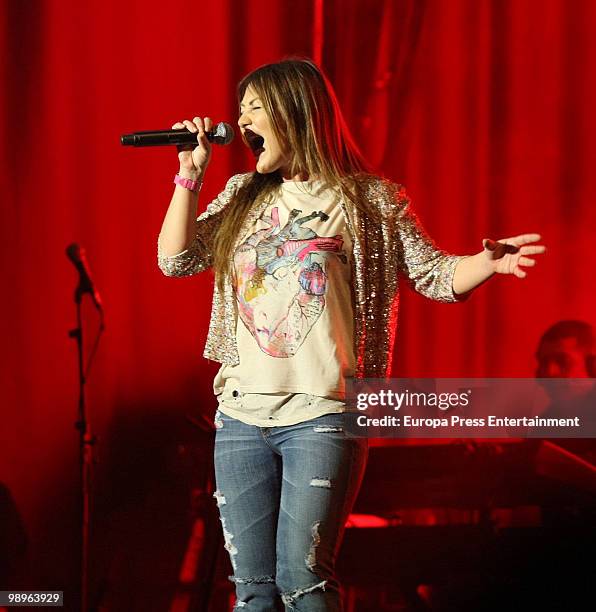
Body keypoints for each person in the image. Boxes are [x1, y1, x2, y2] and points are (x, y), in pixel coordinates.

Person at [157, 58, 545, 611]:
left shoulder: (368, 200)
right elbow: (175, 260)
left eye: (254, 108)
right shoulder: (243, 193)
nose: (239, 119)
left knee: (304, 580)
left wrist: (486, 262)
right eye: (239, 110)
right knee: (251, 594)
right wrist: (189, 175)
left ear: (296, 112)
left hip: (323, 414)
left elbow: (434, 273)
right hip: (240, 415)